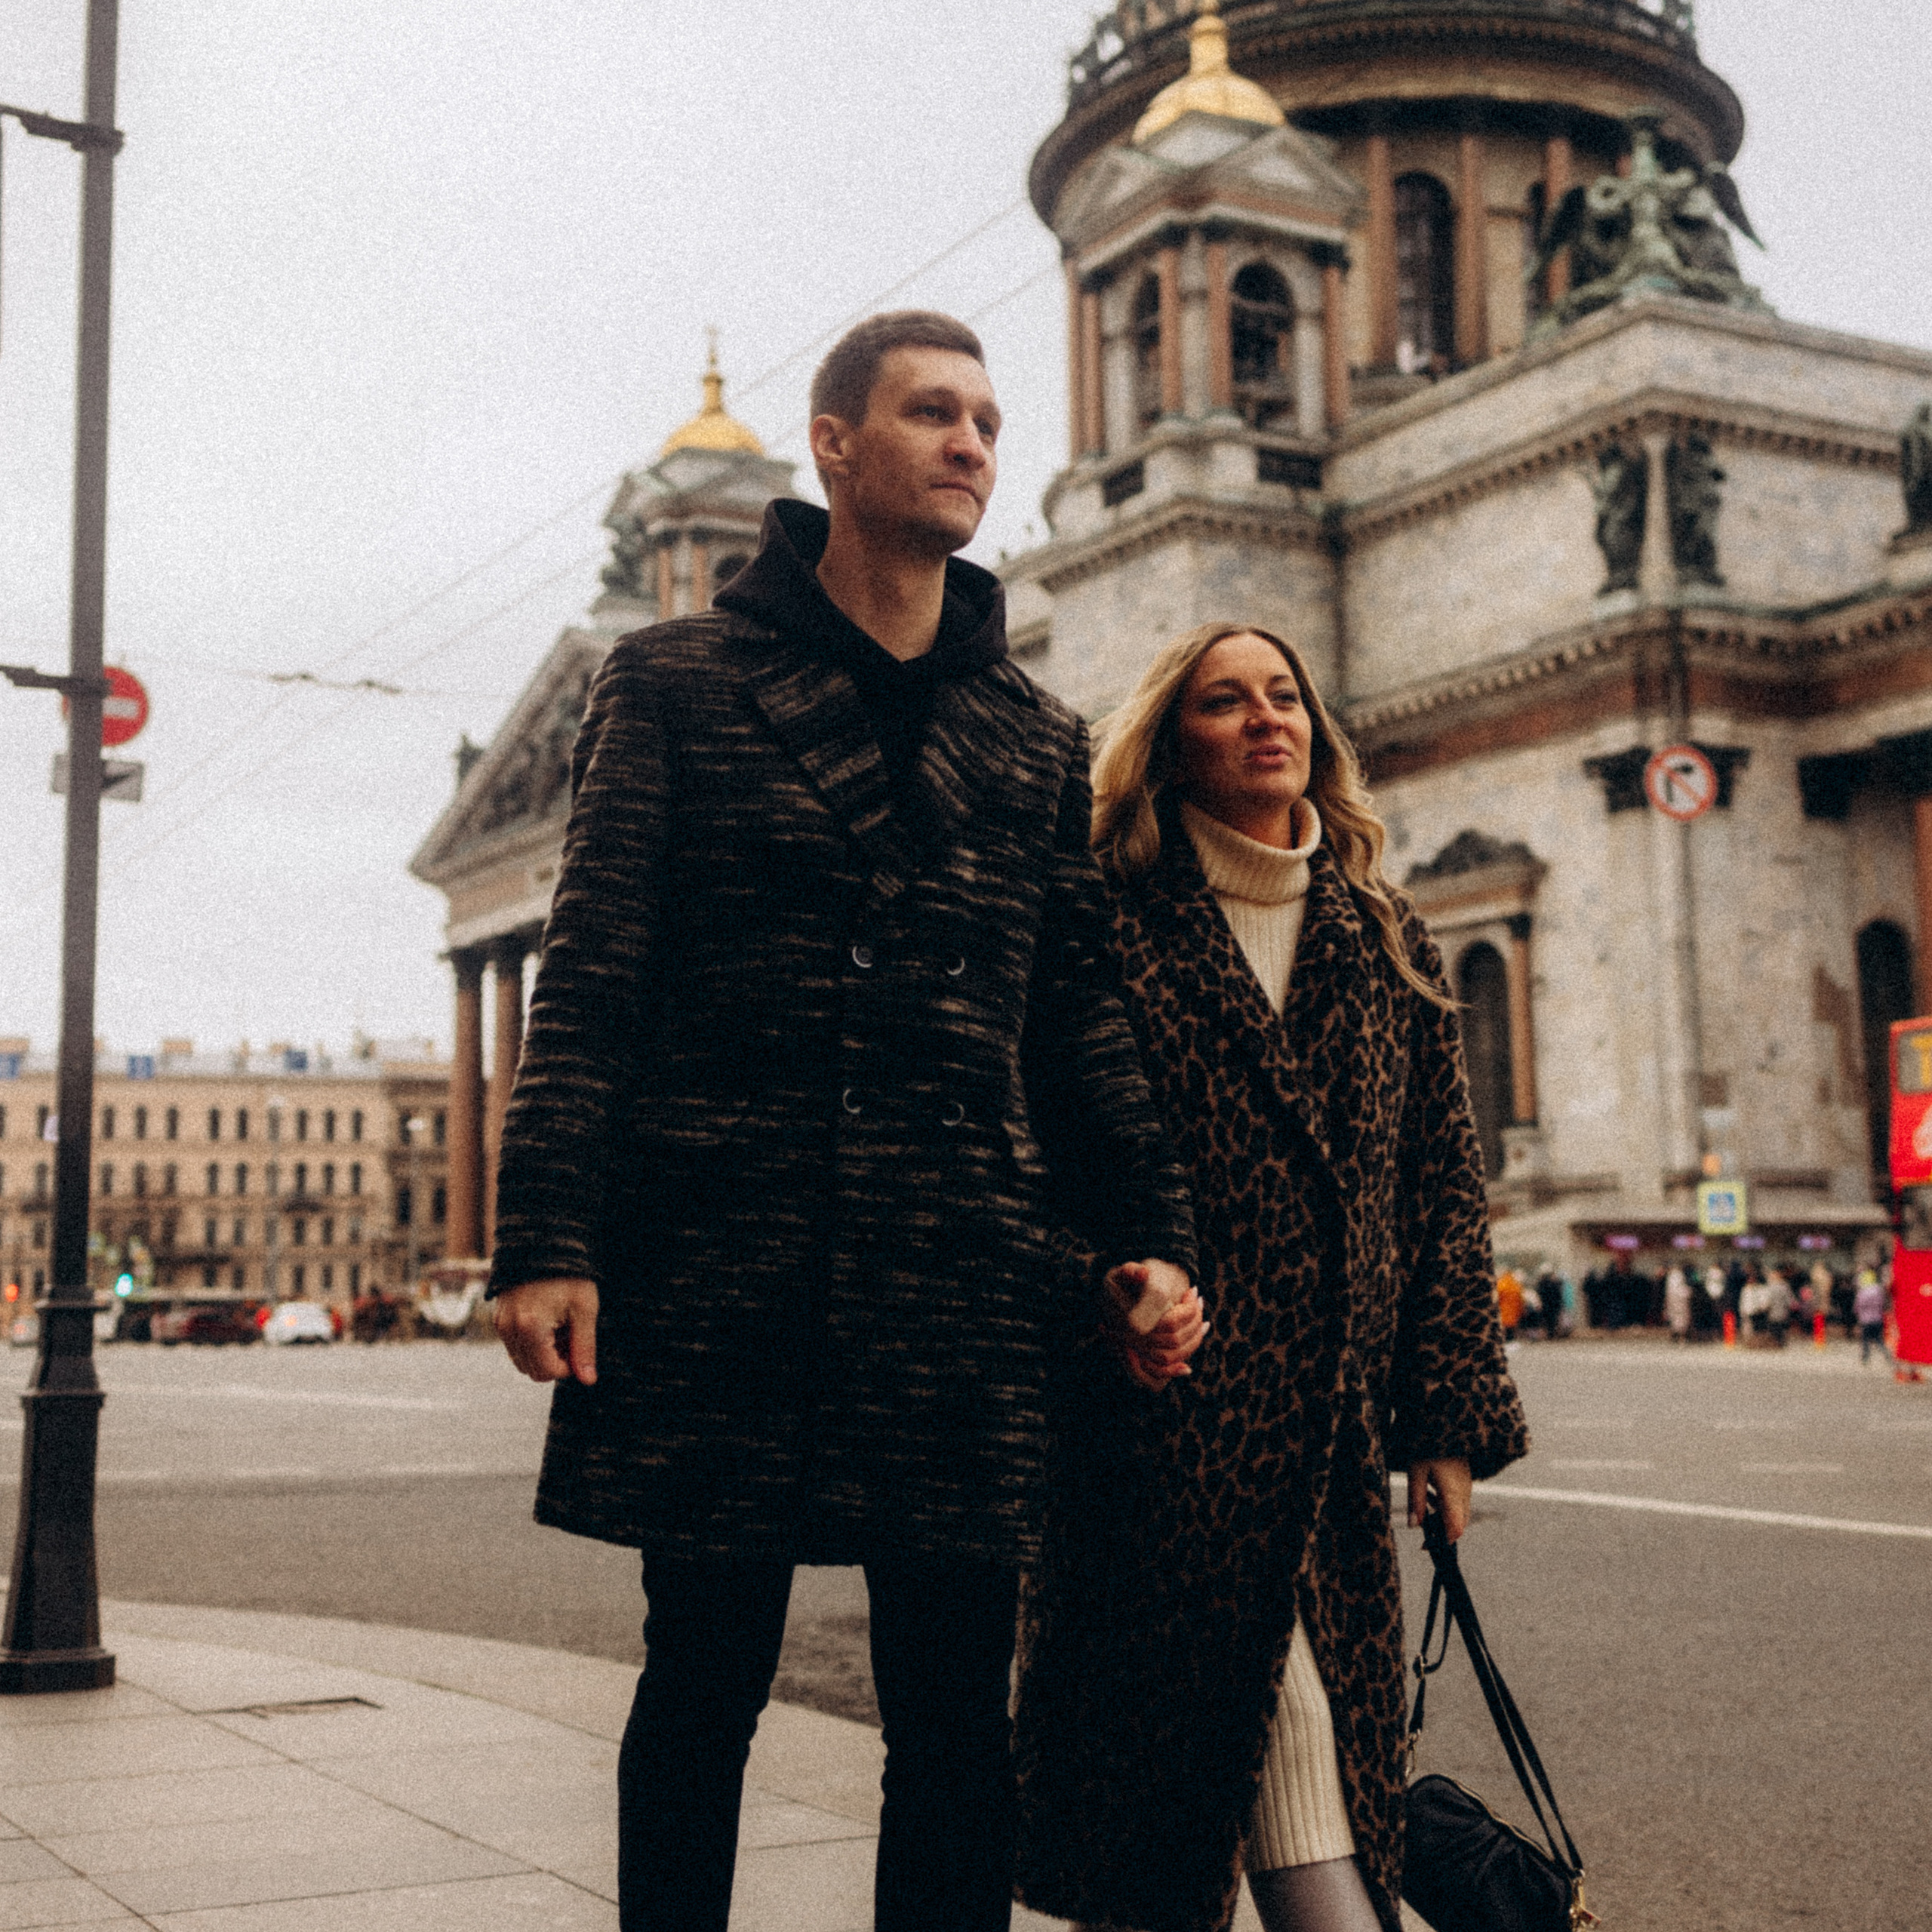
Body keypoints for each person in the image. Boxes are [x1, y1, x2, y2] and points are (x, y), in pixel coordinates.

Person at [488, 311, 1205, 1932]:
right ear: (831, 443)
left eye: (985, 419)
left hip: (955, 1271)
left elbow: (1074, 1016)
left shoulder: (1034, 733)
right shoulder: (668, 681)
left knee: (955, 1718)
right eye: (931, 412)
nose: (972, 443)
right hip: (724, 1259)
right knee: (703, 1682)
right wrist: (548, 1234)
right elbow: (594, 971)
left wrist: (1151, 1236)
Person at [1013, 623, 1529, 1932]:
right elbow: (1024, 1154)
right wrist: (1096, 1289)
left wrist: (1449, 1426)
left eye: (1284, 696)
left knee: (1218, 1817)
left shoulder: (1383, 931)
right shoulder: (1110, 926)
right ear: (1168, 746)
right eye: (1224, 701)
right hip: (1154, 1438)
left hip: (1328, 1452)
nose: (1264, 720)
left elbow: (1442, 1195)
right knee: (1238, 1792)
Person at [1854, 1266, 1888, 1365]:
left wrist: (1858, 1314)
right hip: (1877, 1318)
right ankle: (1887, 1354)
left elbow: (1858, 1306)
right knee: (1879, 1339)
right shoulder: (1879, 1291)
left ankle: (1865, 1357)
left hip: (1866, 1319)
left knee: (1865, 1339)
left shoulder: (1862, 1292)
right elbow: (1883, 1304)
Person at [1665, 1263, 1693, 1343]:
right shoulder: (1677, 1276)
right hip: (1679, 1303)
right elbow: (1681, 1289)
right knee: (1681, 1319)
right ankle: (1681, 1336)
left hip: (1673, 1302)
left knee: (1676, 1319)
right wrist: (1689, 1292)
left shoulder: (1671, 1277)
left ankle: (1676, 1335)